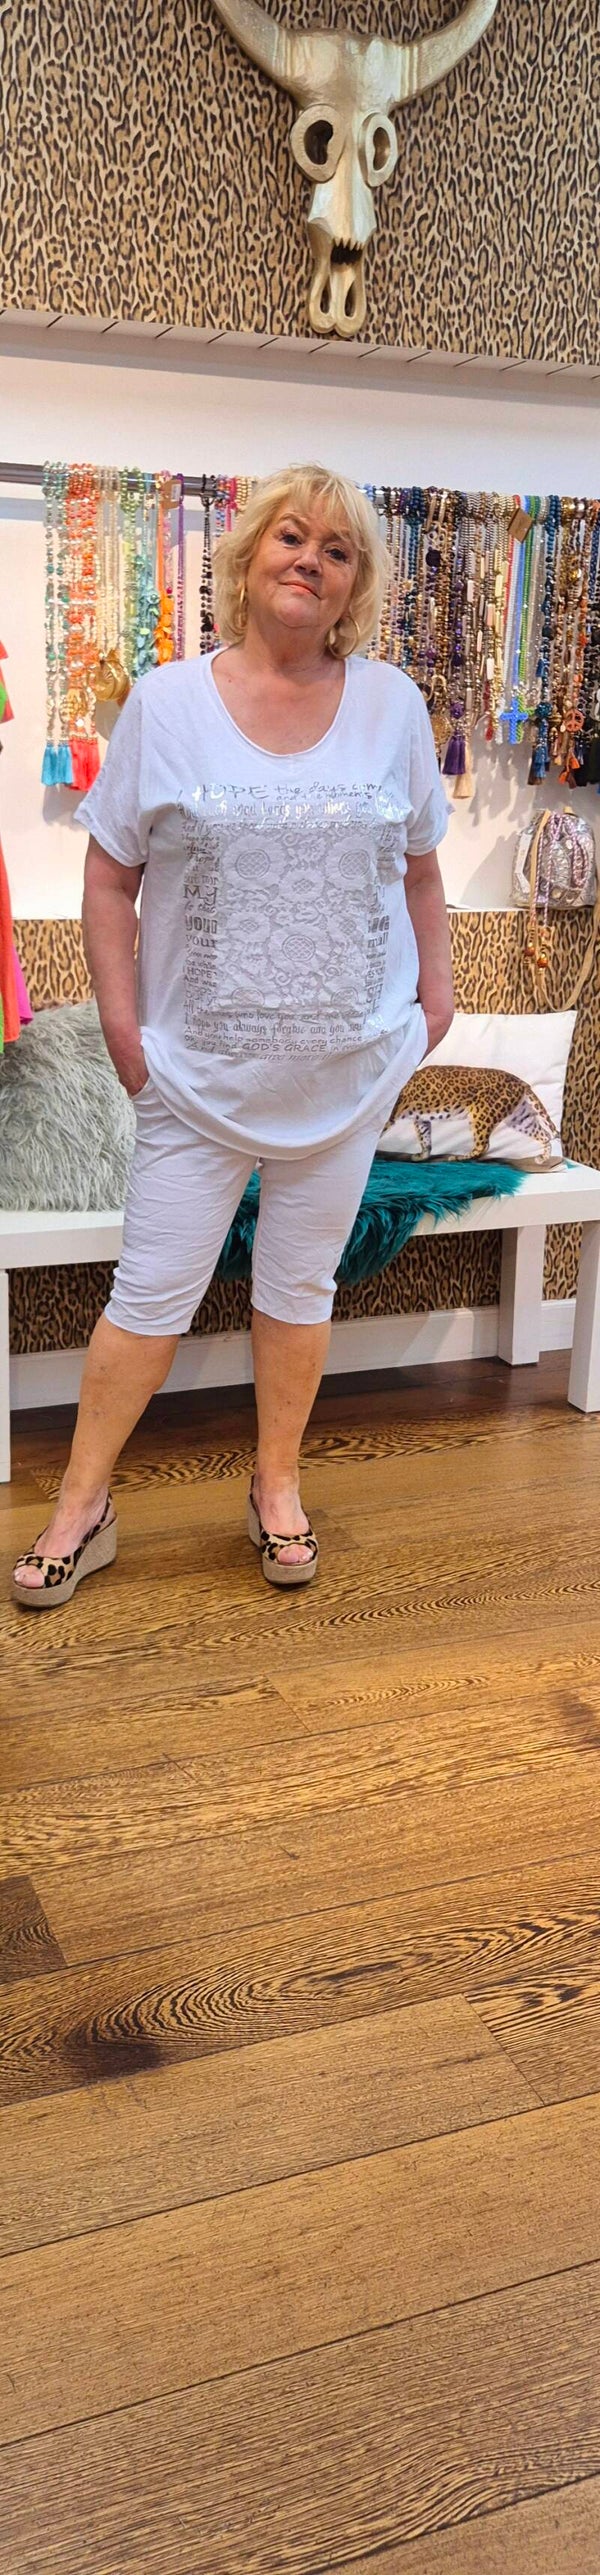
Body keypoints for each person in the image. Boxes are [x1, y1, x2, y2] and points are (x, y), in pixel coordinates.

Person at [12, 462, 454, 1608]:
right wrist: (122, 1026)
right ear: (250, 554)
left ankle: (275, 1485)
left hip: (346, 1076)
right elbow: (109, 878)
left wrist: (437, 998)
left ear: (357, 583)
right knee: (148, 1295)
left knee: (300, 1290)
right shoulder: (166, 705)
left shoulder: (394, 707)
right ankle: (83, 1505)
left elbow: (420, 868)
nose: (311, 560)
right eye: (292, 537)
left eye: (338, 549)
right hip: (194, 1080)